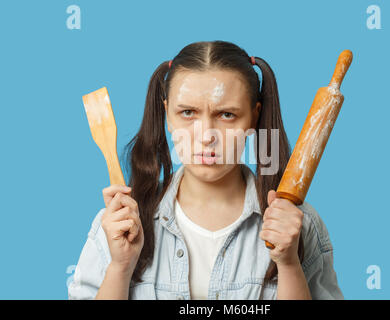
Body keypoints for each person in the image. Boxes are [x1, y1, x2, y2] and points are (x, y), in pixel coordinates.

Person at [68, 40, 344, 300]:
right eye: (187, 112)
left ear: (254, 115)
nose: (206, 135)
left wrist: (289, 264)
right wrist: (120, 267)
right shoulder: (119, 224)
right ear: (167, 113)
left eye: (227, 114)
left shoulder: (299, 225)